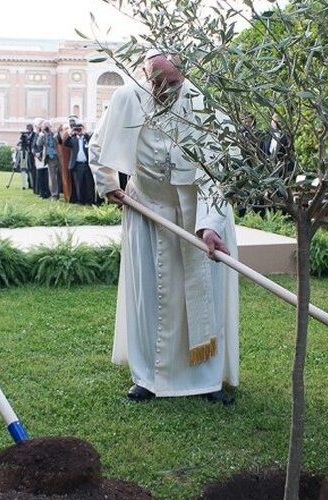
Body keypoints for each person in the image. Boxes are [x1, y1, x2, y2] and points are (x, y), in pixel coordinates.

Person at [89, 51, 239, 405]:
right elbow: (99, 147)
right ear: (145, 77)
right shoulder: (127, 98)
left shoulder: (203, 104)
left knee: (203, 301)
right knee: (150, 299)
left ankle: (206, 379)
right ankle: (147, 377)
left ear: (183, 77)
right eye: (158, 83)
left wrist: (209, 225)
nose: (166, 90)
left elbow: (218, 171)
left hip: (196, 213)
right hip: (146, 211)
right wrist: (107, 182)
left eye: (173, 83)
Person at [66, 123, 95, 204]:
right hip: (77, 165)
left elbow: (92, 141)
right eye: (77, 129)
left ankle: (90, 200)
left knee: (89, 183)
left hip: (87, 164)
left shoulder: (87, 138)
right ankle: (80, 200)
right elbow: (65, 143)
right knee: (79, 184)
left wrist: (84, 133)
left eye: (80, 129)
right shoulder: (73, 139)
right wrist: (71, 133)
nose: (78, 131)